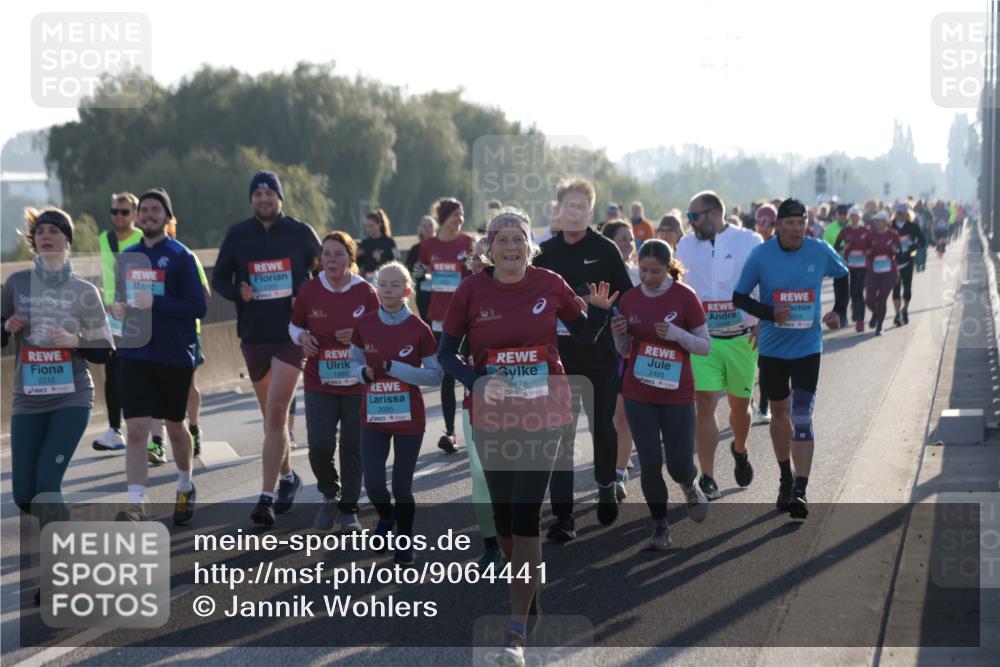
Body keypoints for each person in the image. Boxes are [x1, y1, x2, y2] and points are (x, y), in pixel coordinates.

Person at [437, 207, 617, 666]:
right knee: (503, 523)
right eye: (503, 240)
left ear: (529, 244)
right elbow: (445, 353)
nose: (512, 247)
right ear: (488, 247)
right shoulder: (471, 290)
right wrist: (476, 380)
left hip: (545, 410)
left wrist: (597, 313)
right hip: (492, 413)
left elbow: (586, 335)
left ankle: (515, 631)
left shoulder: (550, 284)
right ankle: (527, 593)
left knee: (525, 517)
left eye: (519, 239)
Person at [212, 171, 322, 526]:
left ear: (280, 198)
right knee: (271, 419)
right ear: (251, 200)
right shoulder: (237, 234)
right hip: (254, 334)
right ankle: (289, 476)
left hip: (291, 335)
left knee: (277, 412)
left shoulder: (300, 233)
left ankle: (266, 496)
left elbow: (326, 271)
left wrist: (302, 293)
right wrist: (237, 292)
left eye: (269, 193)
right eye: (257, 193)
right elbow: (219, 279)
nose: (263, 199)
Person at [732, 197, 849, 520]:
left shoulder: (819, 250)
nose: (797, 229)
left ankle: (801, 487)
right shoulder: (761, 255)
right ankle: (785, 475)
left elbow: (843, 275)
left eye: (801, 224)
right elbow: (738, 296)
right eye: (790, 223)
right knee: (780, 413)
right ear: (779, 225)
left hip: (808, 347)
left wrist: (839, 310)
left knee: (801, 414)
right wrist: (769, 313)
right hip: (771, 350)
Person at [533, 178, 633, 539]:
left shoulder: (605, 249)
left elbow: (628, 296)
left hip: (599, 356)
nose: (574, 213)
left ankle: (606, 485)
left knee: (602, 428)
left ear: (590, 211)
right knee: (560, 435)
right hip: (557, 358)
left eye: (582, 207)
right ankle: (564, 518)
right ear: (558, 210)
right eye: (568, 206)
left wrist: (621, 318)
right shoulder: (544, 254)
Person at [3, 208, 113, 517]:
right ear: (33, 242)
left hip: (71, 396)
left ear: (67, 240)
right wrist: (6, 325)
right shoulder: (16, 284)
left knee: (47, 486)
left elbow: (104, 349)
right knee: (25, 495)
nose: (46, 236)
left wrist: (75, 340)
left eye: (53, 231)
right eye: (40, 232)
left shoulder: (84, 291)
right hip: (28, 399)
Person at [110, 188, 207, 523]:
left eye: (156, 210)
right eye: (144, 210)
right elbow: (124, 301)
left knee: (175, 426)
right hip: (134, 353)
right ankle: (136, 503)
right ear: (137, 218)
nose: (149, 215)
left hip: (173, 355)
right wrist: (119, 309)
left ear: (167, 218)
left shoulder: (181, 256)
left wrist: (158, 303)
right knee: (135, 429)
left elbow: (199, 306)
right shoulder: (129, 257)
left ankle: (184, 485)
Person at [610, 239, 710, 550]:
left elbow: (704, 347)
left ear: (668, 268)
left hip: (676, 392)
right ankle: (660, 526)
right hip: (639, 391)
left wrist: (678, 334)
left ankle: (690, 486)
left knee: (678, 464)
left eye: (655, 271)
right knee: (650, 461)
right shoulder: (629, 299)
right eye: (642, 270)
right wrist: (618, 334)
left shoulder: (685, 297)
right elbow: (625, 351)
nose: (648, 277)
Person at [349, 261, 443, 565]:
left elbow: (435, 375)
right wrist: (363, 373)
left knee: (402, 486)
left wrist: (398, 369)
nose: (387, 289)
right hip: (374, 416)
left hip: (409, 419)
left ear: (406, 290)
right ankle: (386, 518)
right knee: (374, 484)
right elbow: (351, 365)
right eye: (382, 284)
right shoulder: (364, 325)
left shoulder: (419, 329)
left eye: (394, 284)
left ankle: (404, 541)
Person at [289, 231, 379, 532]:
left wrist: (359, 336)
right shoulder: (310, 291)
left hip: (356, 382)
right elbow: (294, 325)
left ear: (350, 259)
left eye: (338, 254)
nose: (331, 259)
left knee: (353, 446)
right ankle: (330, 493)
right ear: (320, 259)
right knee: (319, 445)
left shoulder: (365, 291)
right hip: (319, 380)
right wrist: (302, 337)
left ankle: (349, 508)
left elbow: (382, 331)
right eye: (326, 254)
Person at [676, 190, 761, 500]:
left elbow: (766, 280)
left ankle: (739, 449)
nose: (690, 223)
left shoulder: (749, 241)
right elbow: (676, 284)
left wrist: (763, 319)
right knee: (705, 403)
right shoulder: (686, 245)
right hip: (704, 341)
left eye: (693, 216)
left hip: (742, 338)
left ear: (712, 213)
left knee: (740, 407)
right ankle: (708, 476)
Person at [417, 197, 476, 454]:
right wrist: (420, 275)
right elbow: (424, 279)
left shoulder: (467, 243)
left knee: (471, 369)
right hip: (440, 317)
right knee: (447, 376)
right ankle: (450, 432)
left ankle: (477, 427)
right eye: (455, 215)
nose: (460, 219)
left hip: (467, 318)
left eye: (462, 215)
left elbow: (475, 277)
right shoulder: (428, 245)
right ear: (443, 217)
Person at [92, 192, 144, 453]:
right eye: (115, 211)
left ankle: (152, 430)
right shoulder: (104, 239)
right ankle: (115, 430)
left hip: (139, 315)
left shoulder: (142, 239)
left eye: (124, 212)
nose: (118, 216)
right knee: (112, 371)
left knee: (141, 371)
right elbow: (106, 276)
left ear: (135, 214)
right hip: (113, 317)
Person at [164, 218, 212, 456]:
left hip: (187, 332)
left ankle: (193, 428)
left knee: (188, 385)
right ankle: (160, 438)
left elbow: (205, 294)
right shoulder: (144, 259)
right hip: (157, 332)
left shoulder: (186, 256)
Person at [601, 220, 640, 500]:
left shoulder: (641, 274)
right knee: (608, 418)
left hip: (634, 353)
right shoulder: (598, 277)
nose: (628, 243)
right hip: (603, 353)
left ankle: (618, 472)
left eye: (631, 239)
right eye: (622, 239)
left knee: (622, 416)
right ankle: (610, 468)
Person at [835, 206, 872, 333]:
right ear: (850, 218)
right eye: (852, 216)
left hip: (863, 267)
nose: (854, 218)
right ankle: (855, 310)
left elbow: (873, 246)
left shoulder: (866, 231)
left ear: (860, 217)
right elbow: (836, 245)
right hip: (850, 266)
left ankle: (860, 321)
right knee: (853, 292)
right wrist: (844, 247)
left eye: (856, 216)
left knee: (859, 292)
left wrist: (869, 251)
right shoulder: (845, 231)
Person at [864, 211, 901, 336]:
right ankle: (876, 313)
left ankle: (879, 326)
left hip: (890, 272)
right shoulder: (870, 235)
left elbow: (899, 250)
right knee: (869, 300)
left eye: (879, 220)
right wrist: (868, 252)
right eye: (876, 220)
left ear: (886, 222)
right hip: (874, 271)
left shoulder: (893, 235)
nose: (876, 222)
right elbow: (865, 249)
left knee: (881, 299)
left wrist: (896, 250)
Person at [890, 203, 926, 327]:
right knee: (895, 288)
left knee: (907, 287)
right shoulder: (891, 226)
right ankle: (897, 314)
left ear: (907, 214)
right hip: (894, 262)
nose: (900, 215)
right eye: (898, 213)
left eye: (903, 213)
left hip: (908, 261)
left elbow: (922, 241)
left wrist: (913, 248)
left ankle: (905, 309)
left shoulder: (912, 226)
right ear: (895, 213)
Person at [404, 215, 438, 324]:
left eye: (430, 225)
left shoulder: (442, 246)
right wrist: (417, 268)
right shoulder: (415, 249)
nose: (427, 228)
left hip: (441, 291)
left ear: (435, 228)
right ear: (420, 229)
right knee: (426, 322)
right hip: (423, 293)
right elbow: (408, 271)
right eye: (424, 226)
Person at [356, 208, 399, 283]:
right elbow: (357, 265)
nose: (368, 229)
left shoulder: (389, 242)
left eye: (371, 226)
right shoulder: (364, 243)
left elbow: (397, 260)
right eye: (366, 226)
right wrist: (356, 256)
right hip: (367, 281)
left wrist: (381, 259)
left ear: (379, 224)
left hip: (385, 280)